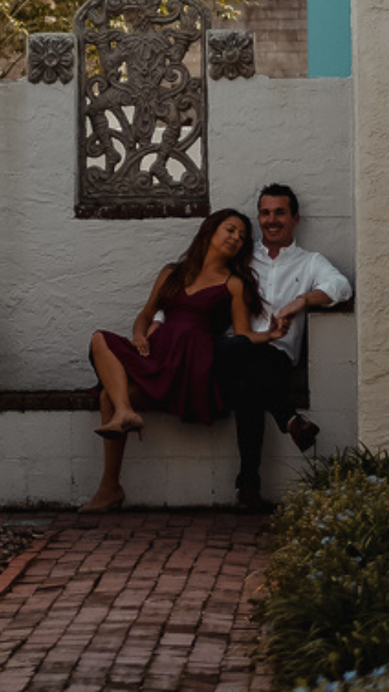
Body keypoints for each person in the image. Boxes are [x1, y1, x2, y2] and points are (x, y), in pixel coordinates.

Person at [82, 208, 277, 514]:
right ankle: (120, 432)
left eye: (242, 237)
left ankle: (111, 475)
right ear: (210, 231)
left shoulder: (234, 283)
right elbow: (146, 314)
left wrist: (269, 335)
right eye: (230, 230)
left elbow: (241, 336)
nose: (236, 238)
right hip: (158, 355)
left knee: (108, 395)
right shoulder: (172, 272)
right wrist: (139, 335)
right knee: (98, 339)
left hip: (192, 366)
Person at [222, 181, 352, 513]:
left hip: (276, 357)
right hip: (234, 352)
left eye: (280, 213)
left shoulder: (309, 262)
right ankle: (290, 420)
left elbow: (341, 287)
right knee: (242, 358)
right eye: (265, 213)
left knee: (248, 383)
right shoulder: (243, 257)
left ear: (295, 218)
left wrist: (302, 300)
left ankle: (249, 485)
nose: (271, 220)